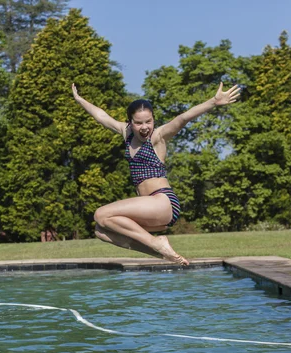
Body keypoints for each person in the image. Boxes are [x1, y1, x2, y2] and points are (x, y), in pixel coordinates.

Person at [72, 82, 240, 265]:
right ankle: (162, 254)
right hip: (150, 210)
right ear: (130, 122)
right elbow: (101, 116)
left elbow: (183, 118)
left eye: (148, 121)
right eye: (138, 123)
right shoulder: (126, 133)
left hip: (163, 202)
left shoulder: (158, 137)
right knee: (101, 230)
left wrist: (213, 102)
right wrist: (80, 100)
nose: (144, 127)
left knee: (100, 214)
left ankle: (157, 243)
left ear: (154, 120)